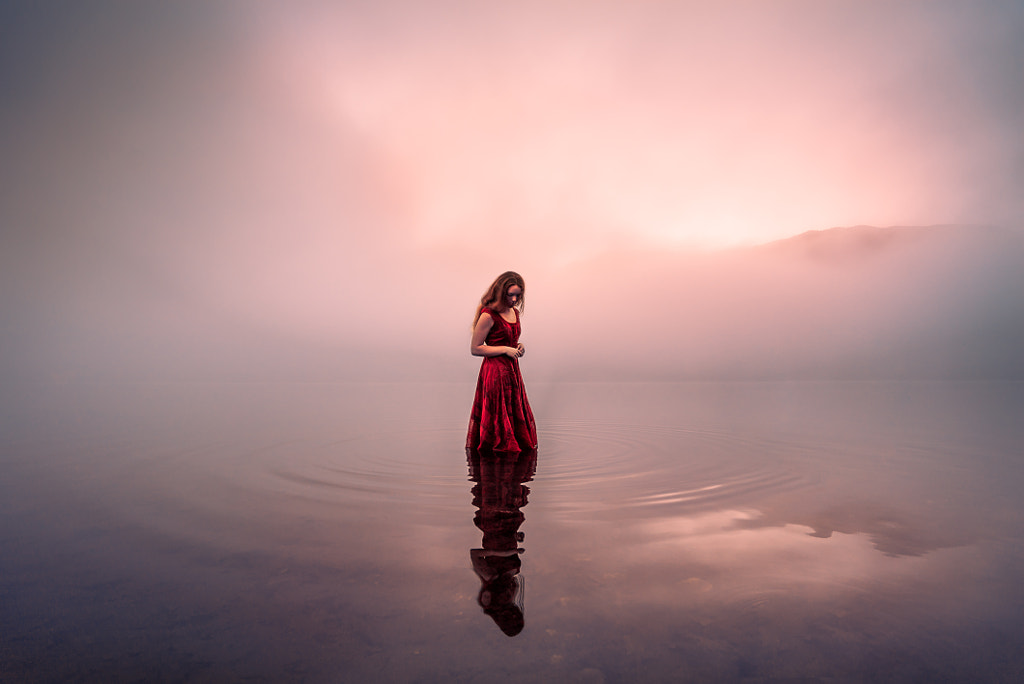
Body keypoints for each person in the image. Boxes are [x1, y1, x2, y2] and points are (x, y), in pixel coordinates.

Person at [466, 271, 538, 452]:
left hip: (512, 371)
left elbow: (510, 339)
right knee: (498, 413)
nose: (514, 299)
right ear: (500, 292)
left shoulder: (514, 312)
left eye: (518, 295)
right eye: (510, 294)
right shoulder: (488, 315)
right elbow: (475, 348)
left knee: (513, 411)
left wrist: (519, 345)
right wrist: (505, 349)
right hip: (495, 372)